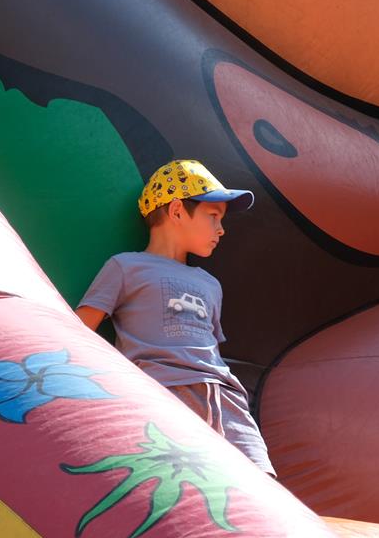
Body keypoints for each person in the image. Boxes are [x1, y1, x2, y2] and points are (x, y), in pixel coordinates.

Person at [74, 159, 274, 475]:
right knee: (175, 481)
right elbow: (77, 332)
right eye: (213, 216)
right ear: (178, 210)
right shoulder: (126, 267)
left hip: (225, 399)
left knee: (260, 482)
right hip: (162, 392)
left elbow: (210, 350)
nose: (221, 229)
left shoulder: (211, 284)